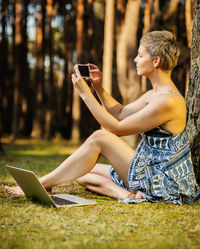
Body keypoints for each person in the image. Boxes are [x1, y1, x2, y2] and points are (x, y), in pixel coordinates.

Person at [6, 30, 200, 204]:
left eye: (140, 55)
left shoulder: (170, 101)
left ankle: (41, 184)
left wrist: (85, 94)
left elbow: (115, 128)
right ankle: (129, 195)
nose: (135, 59)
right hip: (148, 168)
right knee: (81, 172)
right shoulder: (153, 95)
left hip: (164, 180)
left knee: (100, 137)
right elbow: (120, 112)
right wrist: (98, 88)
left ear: (156, 61)